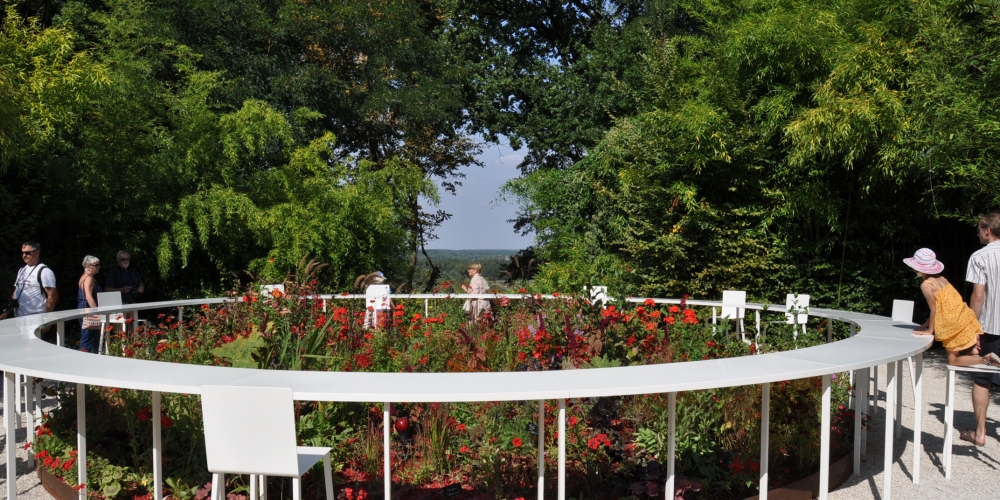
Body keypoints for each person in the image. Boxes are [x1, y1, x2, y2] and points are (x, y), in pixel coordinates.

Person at [906, 248, 1000, 368]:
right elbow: (943, 306)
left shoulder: (926, 285)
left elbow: (934, 309)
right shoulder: (942, 279)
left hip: (952, 324)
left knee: (952, 360)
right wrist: (925, 324)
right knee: (970, 352)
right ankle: (978, 353)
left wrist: (930, 331)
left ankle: (986, 360)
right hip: (964, 318)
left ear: (916, 268)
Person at [963, 211, 1000, 446]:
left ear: (988, 230)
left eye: (979, 228)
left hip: (992, 327)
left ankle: (980, 433)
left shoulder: (980, 257)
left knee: (982, 379)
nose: (978, 232)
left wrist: (971, 326)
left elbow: (978, 296)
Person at [1, 241, 58, 326]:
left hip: (36, 318)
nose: (24, 255)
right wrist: (7, 311)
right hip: (19, 318)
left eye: (27, 253)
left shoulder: (44, 271)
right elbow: (16, 293)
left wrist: (47, 319)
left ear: (37, 253)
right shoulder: (22, 270)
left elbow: (52, 295)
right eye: (23, 253)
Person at [78, 255, 102, 354]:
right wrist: (97, 312)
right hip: (88, 309)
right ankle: (85, 359)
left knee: (88, 335)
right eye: (96, 265)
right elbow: (88, 296)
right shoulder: (89, 278)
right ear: (88, 266)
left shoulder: (84, 276)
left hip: (83, 308)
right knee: (89, 337)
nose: (98, 267)